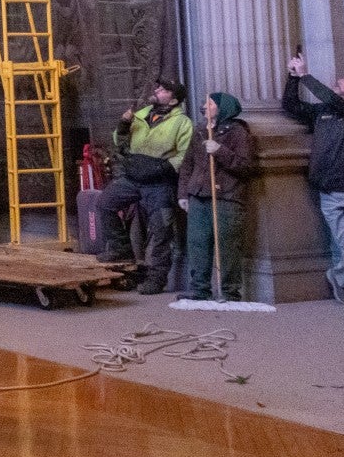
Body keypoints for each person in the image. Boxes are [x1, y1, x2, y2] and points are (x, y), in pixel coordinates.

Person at [283, 55, 344, 305]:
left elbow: (332, 98)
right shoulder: (325, 111)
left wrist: (305, 75)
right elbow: (291, 106)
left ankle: (339, 278)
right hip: (328, 189)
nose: (339, 80)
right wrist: (292, 77)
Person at [96, 78, 192, 294]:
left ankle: (156, 279)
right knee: (105, 203)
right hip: (134, 175)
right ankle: (121, 249)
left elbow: (184, 155)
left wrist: (164, 168)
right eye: (158, 87)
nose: (157, 90)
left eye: (164, 89)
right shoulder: (142, 114)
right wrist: (123, 124)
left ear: (174, 99)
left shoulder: (182, 123)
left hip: (159, 181)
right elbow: (120, 142)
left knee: (160, 231)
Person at [178, 92, 255, 302]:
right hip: (199, 195)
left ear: (222, 108)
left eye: (210, 103)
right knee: (197, 243)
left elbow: (245, 166)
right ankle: (200, 289)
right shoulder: (200, 131)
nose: (204, 106)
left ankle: (230, 292)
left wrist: (220, 151)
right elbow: (188, 164)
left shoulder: (238, 132)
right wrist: (183, 194)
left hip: (226, 196)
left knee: (228, 245)